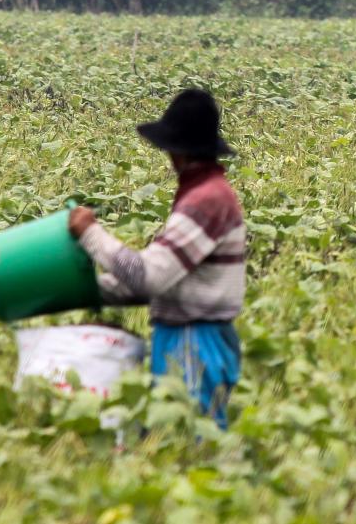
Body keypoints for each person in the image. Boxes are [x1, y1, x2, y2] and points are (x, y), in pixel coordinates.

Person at [68, 89, 245, 429]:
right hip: (188, 336)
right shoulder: (203, 193)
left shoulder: (206, 201)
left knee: (188, 444)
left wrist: (91, 233)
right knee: (175, 440)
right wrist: (87, 290)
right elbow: (164, 280)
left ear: (177, 151)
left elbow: (149, 276)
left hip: (195, 342)